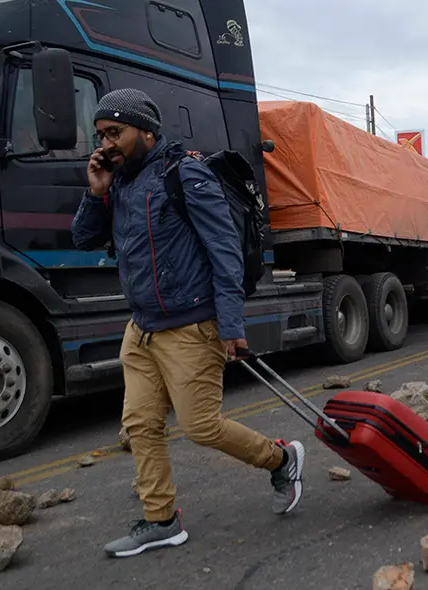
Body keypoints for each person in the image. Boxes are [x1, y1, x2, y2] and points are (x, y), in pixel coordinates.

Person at [70, 89, 306, 558]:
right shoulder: (117, 182)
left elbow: (223, 249)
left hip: (190, 325)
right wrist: (95, 193)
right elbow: (83, 239)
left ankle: (282, 460)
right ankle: (160, 520)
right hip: (141, 329)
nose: (107, 144)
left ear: (146, 131)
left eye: (115, 133)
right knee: (140, 424)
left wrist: (232, 324)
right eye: (101, 135)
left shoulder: (185, 173)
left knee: (200, 426)